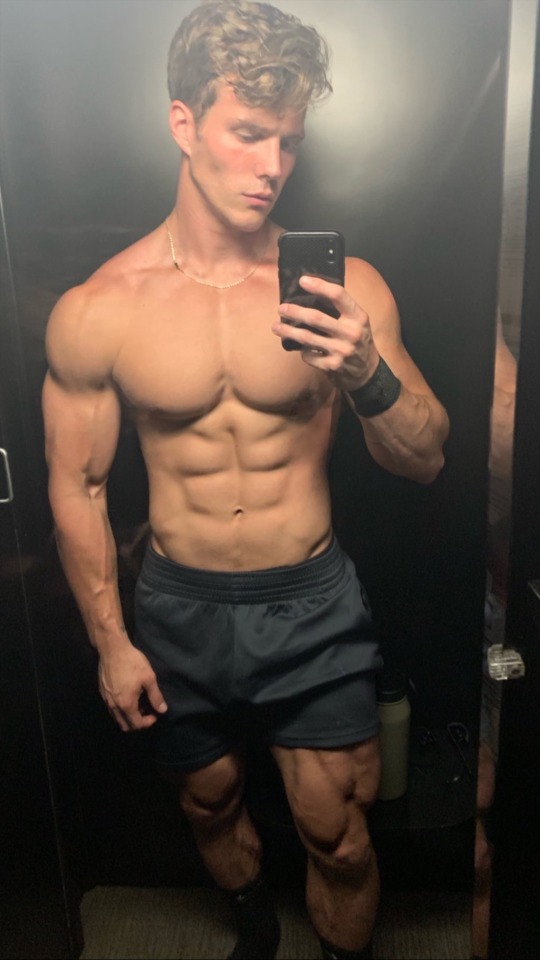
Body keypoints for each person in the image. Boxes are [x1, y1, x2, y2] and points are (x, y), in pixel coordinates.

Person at [42, 2, 449, 958]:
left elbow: (427, 458)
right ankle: (255, 927)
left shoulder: (349, 293)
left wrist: (367, 373)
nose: (273, 165)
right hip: (177, 606)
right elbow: (78, 488)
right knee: (209, 801)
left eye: (290, 141)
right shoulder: (101, 309)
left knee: (338, 833)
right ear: (184, 123)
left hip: (309, 601)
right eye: (249, 133)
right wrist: (111, 642)